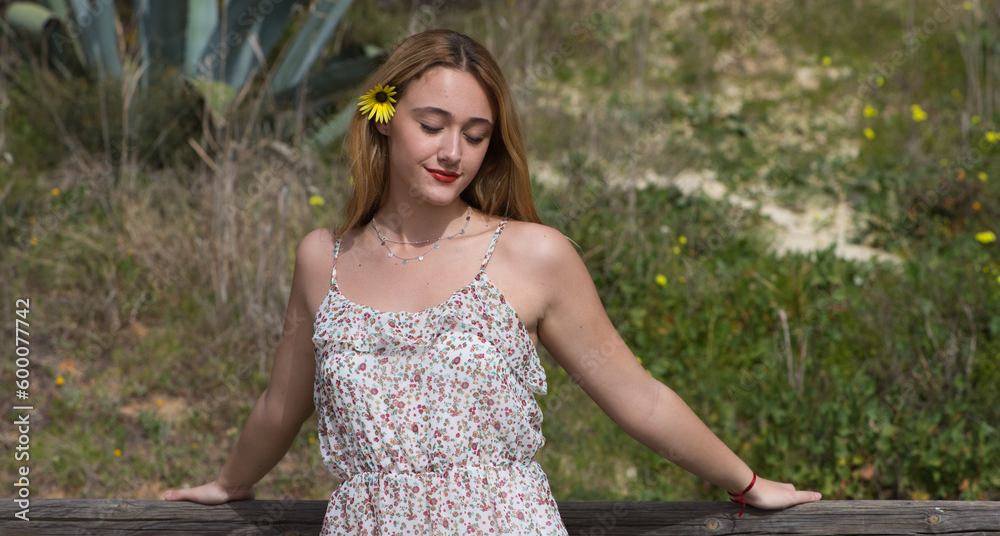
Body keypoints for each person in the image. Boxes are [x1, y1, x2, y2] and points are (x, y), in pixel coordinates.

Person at [164, 29, 821, 534]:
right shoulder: (322, 258)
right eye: (433, 125)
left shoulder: (532, 255)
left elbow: (638, 397)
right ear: (384, 115)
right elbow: (284, 403)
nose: (454, 152)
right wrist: (231, 481)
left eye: (475, 136)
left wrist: (747, 481)